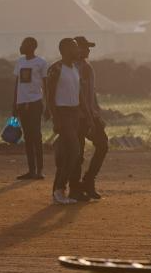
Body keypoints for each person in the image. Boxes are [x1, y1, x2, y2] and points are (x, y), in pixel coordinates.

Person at [46, 38, 88, 205]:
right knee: (74, 151)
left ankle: (58, 191)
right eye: (74, 47)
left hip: (74, 114)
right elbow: (50, 96)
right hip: (63, 114)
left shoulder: (75, 69)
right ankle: (59, 189)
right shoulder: (55, 69)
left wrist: (87, 116)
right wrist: (55, 118)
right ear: (65, 50)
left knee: (67, 155)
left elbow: (80, 95)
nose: (78, 50)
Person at [74, 35, 109, 200]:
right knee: (78, 153)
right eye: (85, 47)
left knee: (102, 145)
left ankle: (88, 180)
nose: (88, 50)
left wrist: (96, 113)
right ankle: (77, 187)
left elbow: (90, 93)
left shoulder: (87, 67)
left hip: (90, 114)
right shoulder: (71, 67)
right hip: (78, 115)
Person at [12, 37, 48, 180]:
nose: (21, 46)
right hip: (22, 103)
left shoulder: (41, 62)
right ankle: (31, 170)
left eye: (23, 44)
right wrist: (14, 103)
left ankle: (39, 170)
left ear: (32, 46)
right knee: (27, 137)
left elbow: (46, 85)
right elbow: (17, 83)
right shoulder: (19, 61)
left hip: (35, 102)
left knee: (36, 136)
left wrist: (47, 105)